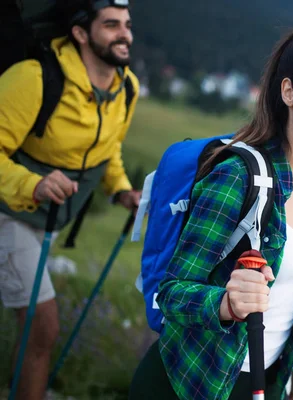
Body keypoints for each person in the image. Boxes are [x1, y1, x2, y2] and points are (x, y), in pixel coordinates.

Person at [128, 27, 293, 400]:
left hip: (267, 382)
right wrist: (225, 304)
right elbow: (171, 293)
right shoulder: (239, 176)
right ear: (289, 91)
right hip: (194, 381)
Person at [0, 0, 140, 398]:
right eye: (111, 24)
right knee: (41, 327)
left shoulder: (126, 87)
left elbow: (107, 149)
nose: (124, 34)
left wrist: (120, 189)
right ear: (80, 33)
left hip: (48, 219)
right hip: (9, 212)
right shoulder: (34, 78)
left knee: (35, 330)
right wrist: (32, 184)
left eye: (127, 24)